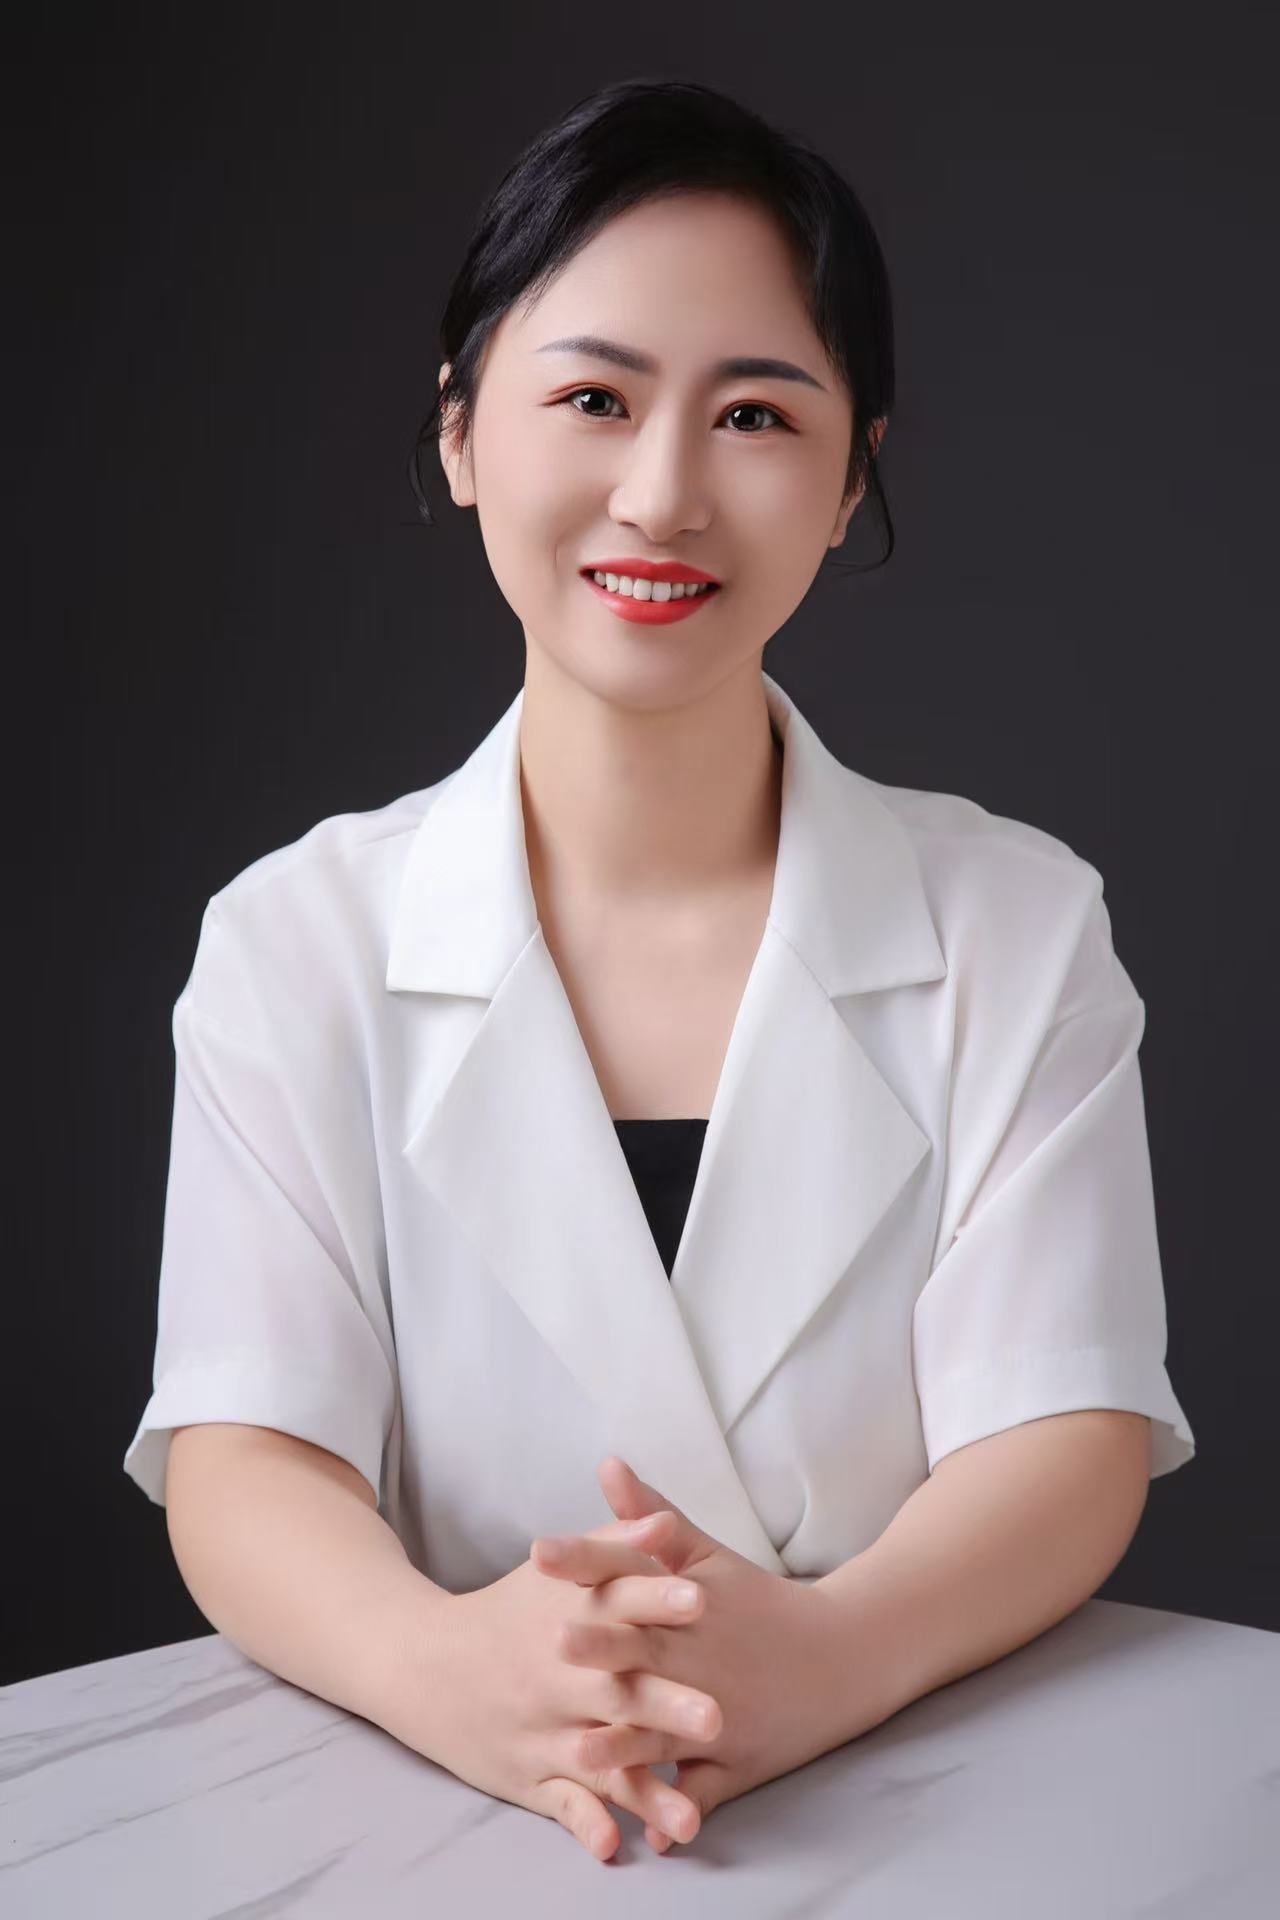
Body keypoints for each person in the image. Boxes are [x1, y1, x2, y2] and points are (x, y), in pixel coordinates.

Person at [123, 77, 1195, 1864]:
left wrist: (829, 1656)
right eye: (594, 399)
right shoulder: (293, 941)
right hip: (442, 1825)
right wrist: (451, 1674)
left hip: (927, 1805)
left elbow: (1068, 1426)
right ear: (462, 432)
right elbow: (245, 1449)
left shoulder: (1017, 925)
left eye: (756, 414)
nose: (663, 492)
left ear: (851, 478)